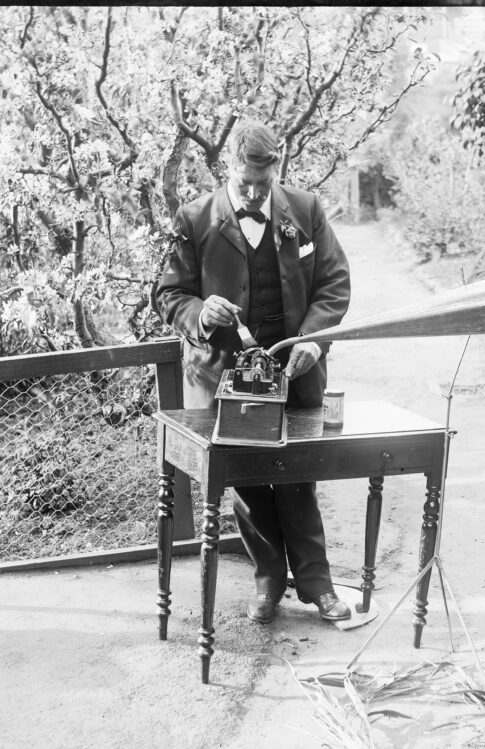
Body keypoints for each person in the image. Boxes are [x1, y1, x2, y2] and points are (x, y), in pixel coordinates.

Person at [155, 120, 352, 624]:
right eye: (247, 182)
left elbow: (333, 283)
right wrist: (200, 312)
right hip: (223, 378)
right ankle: (268, 582)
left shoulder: (305, 210)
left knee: (297, 478)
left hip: (296, 373)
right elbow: (169, 294)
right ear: (228, 168)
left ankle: (317, 583)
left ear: (277, 168)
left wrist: (312, 338)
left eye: (265, 182)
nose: (257, 191)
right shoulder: (194, 218)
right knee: (245, 481)